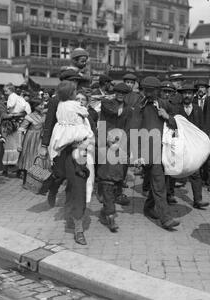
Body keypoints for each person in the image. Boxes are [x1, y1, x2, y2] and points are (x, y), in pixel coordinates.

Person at [40, 81, 94, 246]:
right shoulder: (70, 108)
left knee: (78, 185)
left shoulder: (63, 106)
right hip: (68, 150)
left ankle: (78, 226)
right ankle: (54, 190)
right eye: (75, 95)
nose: (78, 100)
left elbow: (90, 135)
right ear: (70, 94)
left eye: (81, 98)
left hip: (77, 152)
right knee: (63, 178)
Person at [129, 76, 180, 231]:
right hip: (148, 152)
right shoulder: (139, 107)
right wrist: (137, 154)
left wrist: (168, 117)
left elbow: (178, 123)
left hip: (165, 150)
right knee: (159, 183)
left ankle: (149, 207)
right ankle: (166, 218)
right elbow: (133, 130)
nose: (149, 94)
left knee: (159, 182)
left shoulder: (165, 105)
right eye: (147, 91)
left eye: (152, 91)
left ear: (158, 91)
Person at [97, 83, 133, 232]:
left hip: (120, 147)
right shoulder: (107, 104)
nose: (120, 95)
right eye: (118, 92)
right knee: (107, 181)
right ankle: (111, 215)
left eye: (124, 93)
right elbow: (103, 121)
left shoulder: (128, 109)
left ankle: (106, 209)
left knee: (116, 181)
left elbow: (128, 128)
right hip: (105, 144)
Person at [174, 83, 210, 210]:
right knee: (174, 170)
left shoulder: (197, 109)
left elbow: (201, 127)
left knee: (195, 172)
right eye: (185, 93)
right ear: (181, 95)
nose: (187, 96)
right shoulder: (176, 109)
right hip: (179, 145)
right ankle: (169, 195)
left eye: (189, 93)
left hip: (193, 146)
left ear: (193, 94)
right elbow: (173, 126)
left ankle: (198, 199)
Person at [0, 83, 32, 176]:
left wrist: (8, 106)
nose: (5, 92)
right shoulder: (20, 98)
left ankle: (10, 168)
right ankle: (18, 169)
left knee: (9, 145)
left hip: (12, 122)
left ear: (10, 90)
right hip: (20, 121)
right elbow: (27, 109)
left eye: (6, 90)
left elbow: (11, 105)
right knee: (18, 144)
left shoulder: (12, 96)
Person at [17, 99, 47, 185]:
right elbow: (21, 130)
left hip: (41, 139)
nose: (42, 106)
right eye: (39, 105)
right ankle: (26, 181)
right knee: (29, 158)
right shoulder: (29, 116)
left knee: (39, 158)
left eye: (42, 105)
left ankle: (37, 181)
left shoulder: (44, 115)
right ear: (34, 106)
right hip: (31, 139)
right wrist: (19, 144)